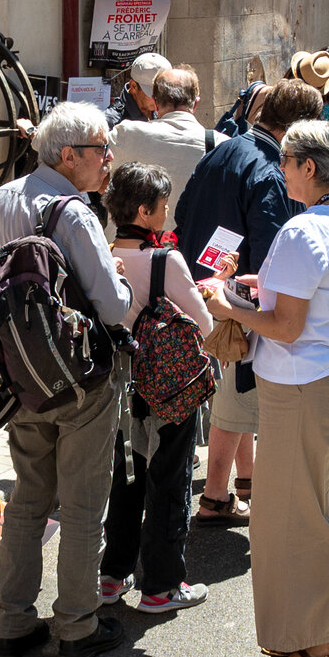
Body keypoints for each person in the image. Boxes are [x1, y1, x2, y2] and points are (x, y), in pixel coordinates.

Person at [200, 121, 329, 657]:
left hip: (301, 388)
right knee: (315, 514)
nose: (281, 168)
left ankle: (317, 647)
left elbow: (286, 327)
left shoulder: (304, 230)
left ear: (310, 168)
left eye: (288, 159)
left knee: (294, 523)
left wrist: (226, 307)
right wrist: (259, 286)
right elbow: (313, 293)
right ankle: (312, 636)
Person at [0, 103, 134, 657]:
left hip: (18, 378)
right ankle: (77, 625)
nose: (108, 159)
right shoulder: (74, 213)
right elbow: (113, 307)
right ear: (69, 156)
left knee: (28, 499)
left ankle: (12, 622)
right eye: (102, 150)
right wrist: (120, 281)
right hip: (80, 379)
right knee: (84, 506)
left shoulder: (4, 198)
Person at [174, 79, 323, 523]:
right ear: (297, 127)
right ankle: (216, 495)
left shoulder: (224, 147)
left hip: (203, 285)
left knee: (234, 390)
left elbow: (182, 211)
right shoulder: (272, 170)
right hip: (240, 297)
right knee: (238, 395)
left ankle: (242, 483)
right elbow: (275, 249)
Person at [102, 164, 214, 613]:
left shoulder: (102, 255)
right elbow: (203, 324)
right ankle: (161, 587)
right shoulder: (165, 261)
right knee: (169, 479)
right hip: (167, 385)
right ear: (144, 212)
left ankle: (112, 575)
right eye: (163, 205)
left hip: (118, 387)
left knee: (125, 479)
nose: (167, 212)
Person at [108, 66, 219, 202]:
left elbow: (94, 173)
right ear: (195, 104)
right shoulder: (222, 144)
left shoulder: (125, 134)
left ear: (155, 103)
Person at [110, 52, 171, 129]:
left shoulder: (167, 113)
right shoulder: (113, 121)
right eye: (154, 95)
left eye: (163, 94)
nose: (160, 101)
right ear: (133, 86)